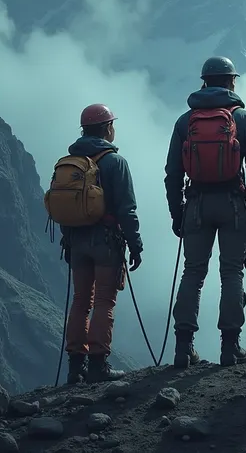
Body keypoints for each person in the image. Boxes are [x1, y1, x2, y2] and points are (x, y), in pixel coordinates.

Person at [164, 56, 246, 368]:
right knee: (232, 272)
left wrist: (176, 213)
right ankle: (230, 346)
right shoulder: (244, 119)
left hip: (196, 204)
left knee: (193, 273)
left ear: (204, 82)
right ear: (231, 82)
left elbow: (172, 173)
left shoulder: (185, 122)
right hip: (234, 205)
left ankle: (183, 347)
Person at [55, 104, 144, 384]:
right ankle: (98, 365)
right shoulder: (115, 162)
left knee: (81, 301)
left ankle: (74, 367)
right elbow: (127, 209)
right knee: (104, 301)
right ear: (107, 128)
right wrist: (136, 244)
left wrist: (68, 240)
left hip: (76, 240)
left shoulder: (68, 162)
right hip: (106, 242)